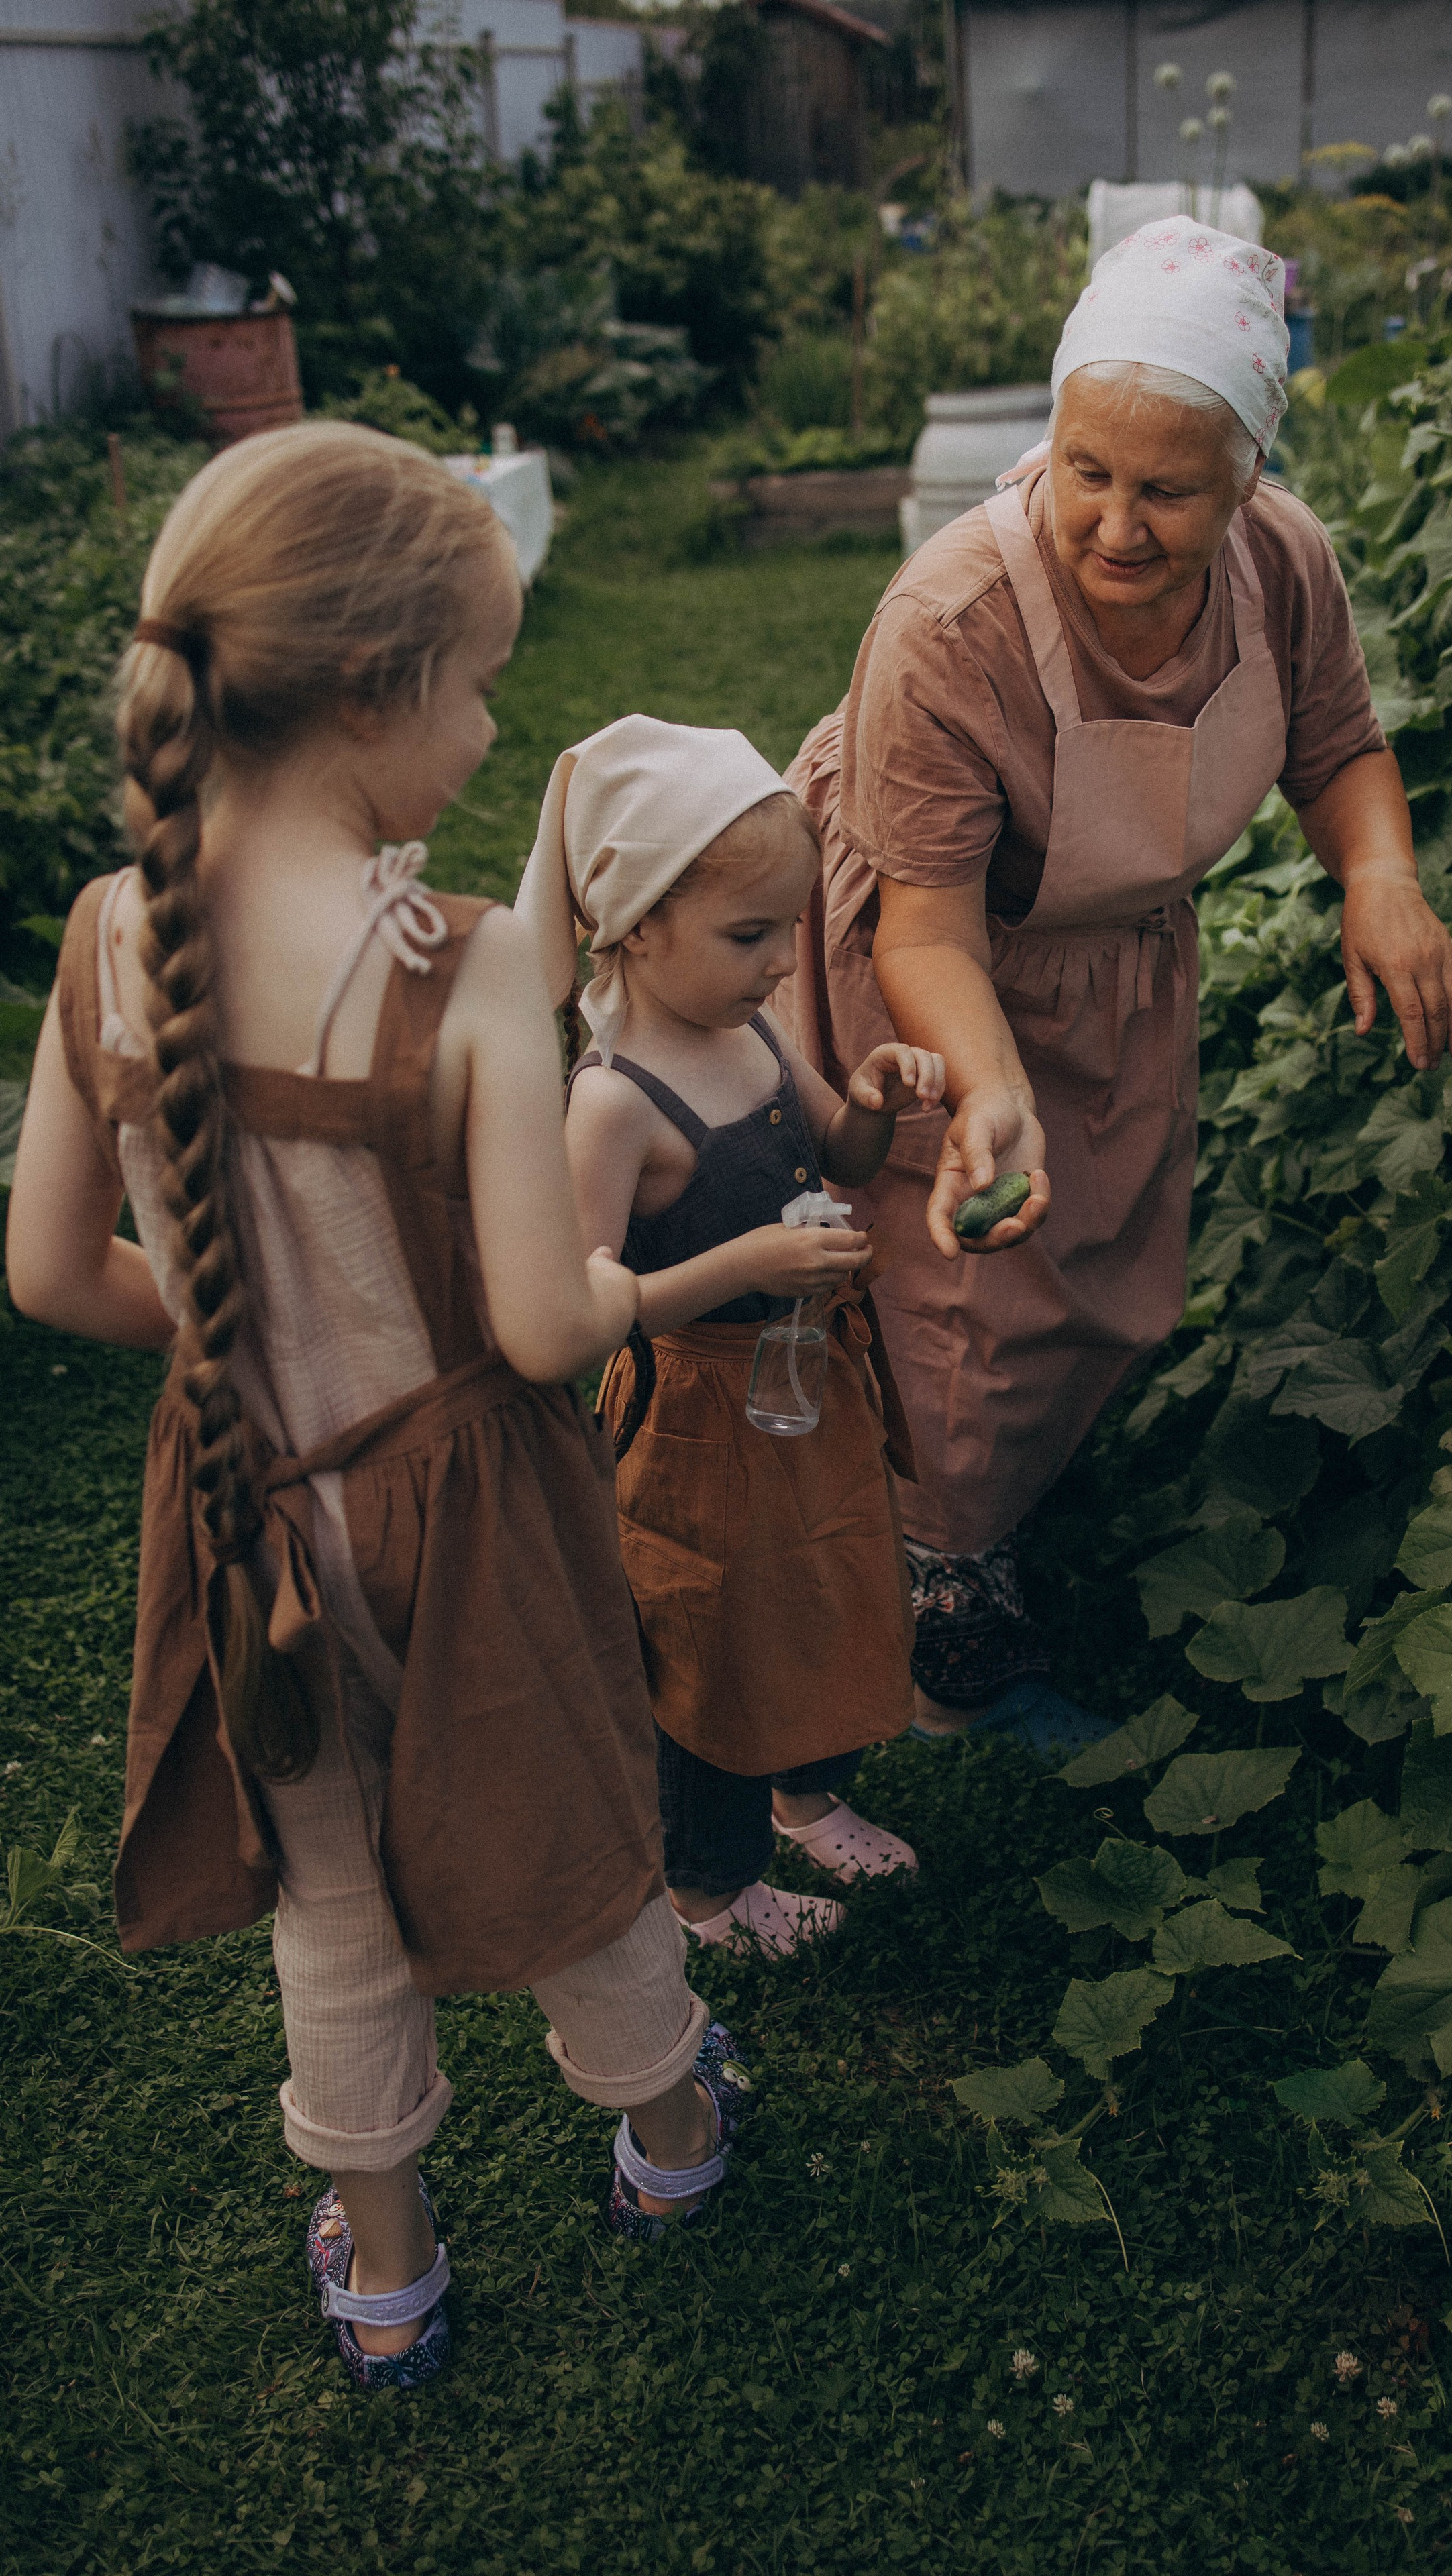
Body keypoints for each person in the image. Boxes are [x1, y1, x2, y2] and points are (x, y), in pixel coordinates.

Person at [4, 424, 751, 2394]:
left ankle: (391, 2277)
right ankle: (671, 2141)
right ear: (370, 688)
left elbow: (52, 1275)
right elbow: (534, 1332)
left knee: (325, 1895)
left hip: (250, 1511)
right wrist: (624, 1282)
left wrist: (245, 1343)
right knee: (576, 1827)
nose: (497, 730)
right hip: (469, 1518)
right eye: (484, 679)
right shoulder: (479, 967)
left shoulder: (107, 936)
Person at [775, 215, 1452, 1749]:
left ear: (1247, 476)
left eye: (1165, 487)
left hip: (1115, 959)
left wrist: (1379, 879)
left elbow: (1336, 747)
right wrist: (989, 1082)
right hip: (933, 967)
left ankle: (994, 1505)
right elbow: (924, 929)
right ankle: (941, 1619)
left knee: (1090, 1255)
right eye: (1085, 469)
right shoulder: (948, 622)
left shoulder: (1281, 565)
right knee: (949, 1278)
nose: (1112, 523)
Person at [516, 716, 939, 1955]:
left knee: (826, 1589)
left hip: (804, 1388)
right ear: (636, 923)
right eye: (747, 935)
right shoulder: (611, 1106)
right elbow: (585, 1305)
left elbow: (844, 1152)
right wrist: (744, 1264)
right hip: (695, 1417)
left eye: (783, 932)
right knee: (711, 1636)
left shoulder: (755, 1033)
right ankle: (709, 1887)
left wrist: (868, 1100)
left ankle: (806, 1797)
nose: (774, 964)